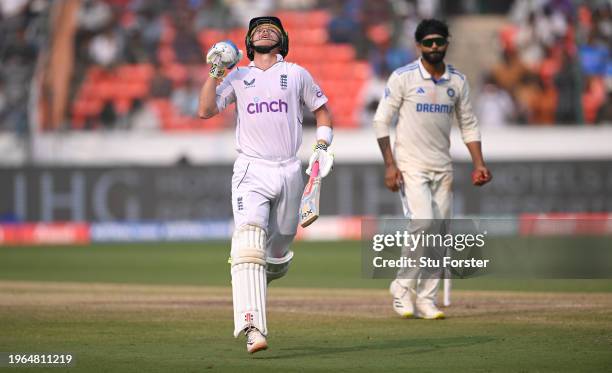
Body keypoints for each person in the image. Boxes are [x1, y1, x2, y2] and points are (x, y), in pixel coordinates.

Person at [198, 16, 334, 354]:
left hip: (290, 169)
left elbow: (323, 113)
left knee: (278, 249)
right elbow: (204, 110)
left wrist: (320, 148)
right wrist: (216, 72)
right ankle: (252, 327)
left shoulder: (296, 73)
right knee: (247, 245)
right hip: (250, 170)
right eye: (257, 29)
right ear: (248, 42)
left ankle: (261, 272)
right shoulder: (238, 76)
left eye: (271, 28)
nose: (264, 30)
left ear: (283, 40)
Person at [372, 19, 491, 320]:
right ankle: (401, 286)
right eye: (428, 42)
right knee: (424, 224)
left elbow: (469, 124)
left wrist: (478, 163)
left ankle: (426, 298)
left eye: (439, 41)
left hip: (442, 166)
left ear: (447, 42)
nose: (434, 47)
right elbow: (381, 121)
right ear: (418, 46)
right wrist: (390, 165)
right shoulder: (403, 77)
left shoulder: (458, 82)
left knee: (439, 234)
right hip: (410, 164)